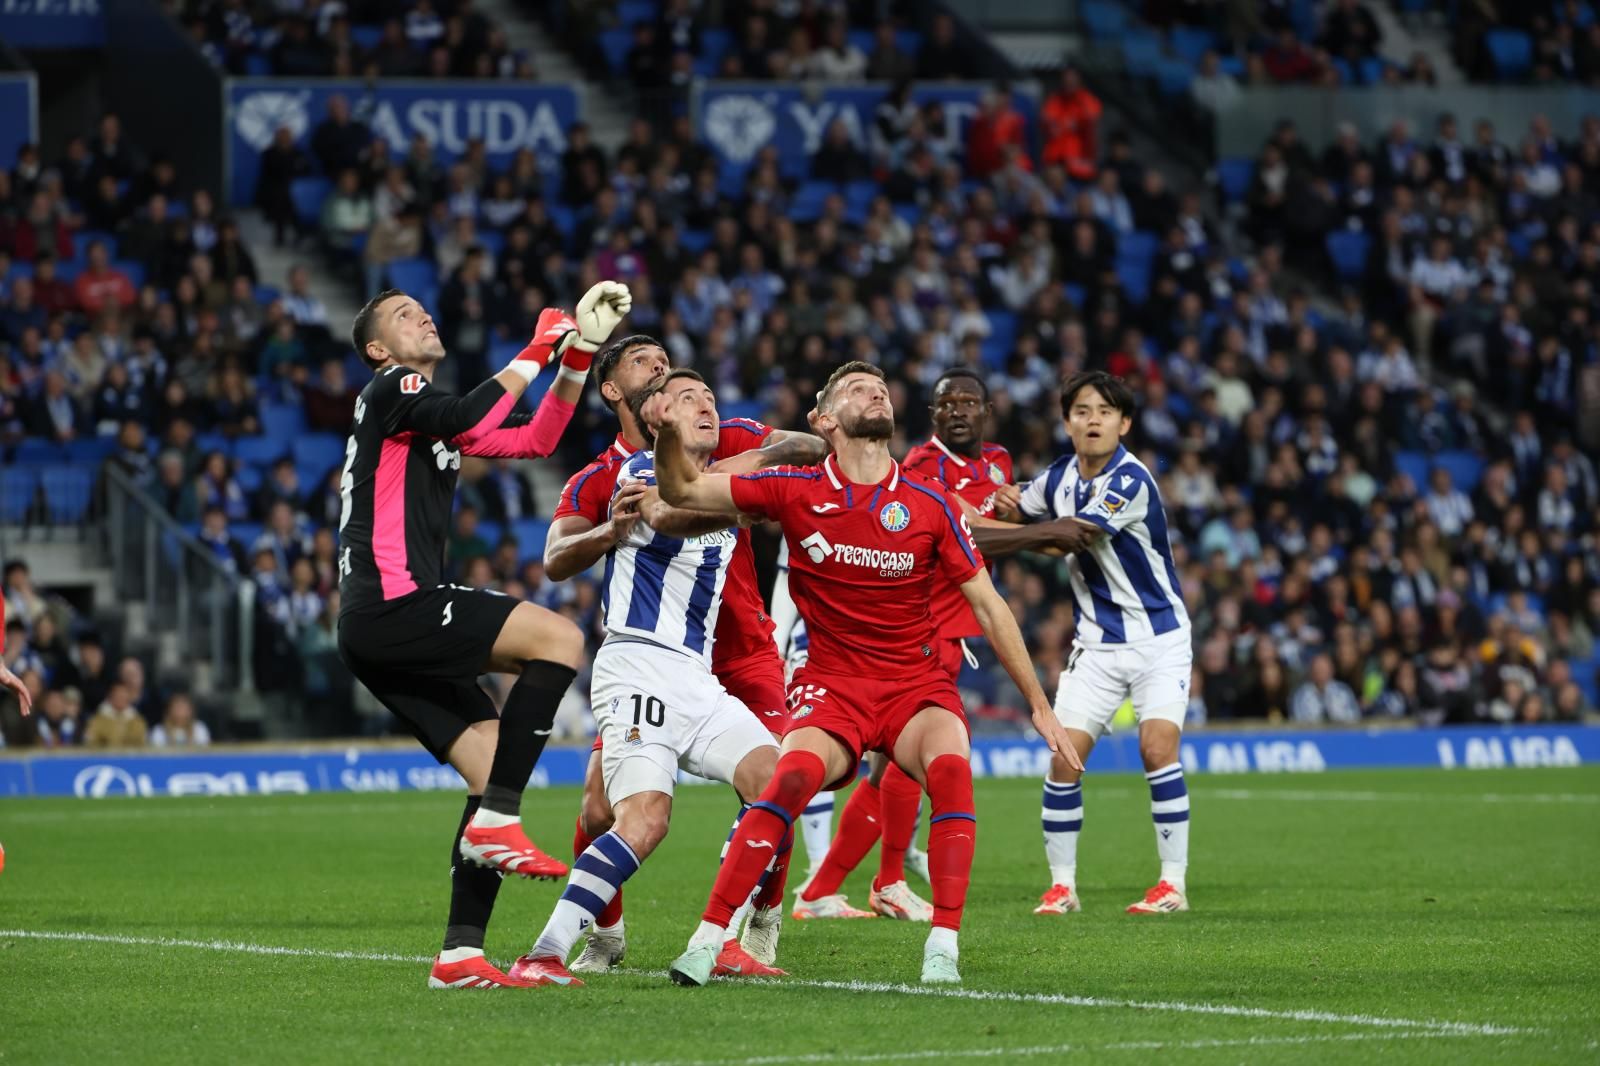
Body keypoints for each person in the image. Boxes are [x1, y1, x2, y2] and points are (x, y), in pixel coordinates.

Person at [653, 361, 1078, 986]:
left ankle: (943, 948)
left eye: (880, 387)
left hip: (916, 686)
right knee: (790, 778)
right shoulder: (794, 490)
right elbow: (683, 492)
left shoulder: (929, 503)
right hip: (834, 687)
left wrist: (1040, 707)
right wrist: (666, 434)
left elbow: (989, 604)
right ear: (824, 420)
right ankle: (706, 938)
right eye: (856, 389)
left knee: (953, 774)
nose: (875, 392)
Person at [335, 278, 632, 990]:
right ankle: (500, 820)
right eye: (405, 316)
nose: (424, 315)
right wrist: (537, 346)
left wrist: (579, 357)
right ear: (379, 347)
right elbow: (475, 407)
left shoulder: (420, 415)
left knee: (488, 760)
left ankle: (460, 955)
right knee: (560, 639)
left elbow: (536, 437)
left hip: (375, 623)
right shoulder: (392, 384)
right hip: (397, 603)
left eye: (422, 307)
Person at [510, 370, 805, 987]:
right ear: (657, 416)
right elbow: (678, 512)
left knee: (779, 781)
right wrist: (755, 485)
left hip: (696, 676)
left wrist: (809, 448)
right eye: (689, 398)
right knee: (643, 820)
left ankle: (721, 937)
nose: (707, 405)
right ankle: (545, 952)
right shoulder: (639, 474)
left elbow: (791, 451)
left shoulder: (722, 475)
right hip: (638, 664)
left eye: (712, 396)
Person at [794, 367, 1020, 922]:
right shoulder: (918, 467)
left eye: (972, 401)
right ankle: (878, 879)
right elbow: (973, 534)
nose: (960, 410)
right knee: (898, 763)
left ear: (988, 411)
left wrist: (1018, 520)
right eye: (949, 402)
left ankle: (840, 884)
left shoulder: (998, 462)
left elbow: (985, 531)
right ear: (933, 413)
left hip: (955, 625)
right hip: (920, 627)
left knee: (891, 769)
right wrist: (1049, 535)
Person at [1014, 371, 1195, 917]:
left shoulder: (1130, 481)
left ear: (1125, 423)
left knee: (1157, 749)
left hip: (1159, 639)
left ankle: (1172, 886)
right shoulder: (1058, 478)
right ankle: (1062, 886)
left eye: (1105, 411)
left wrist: (987, 532)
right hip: (1095, 646)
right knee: (1064, 760)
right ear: (1067, 422)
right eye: (1082, 411)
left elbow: (1070, 536)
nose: (1093, 420)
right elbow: (1019, 509)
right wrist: (990, 506)